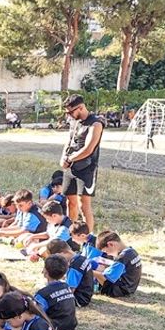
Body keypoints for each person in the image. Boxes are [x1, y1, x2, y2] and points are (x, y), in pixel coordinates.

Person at [60, 94, 104, 233]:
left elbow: (88, 149)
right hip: (71, 168)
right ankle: (71, 234)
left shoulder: (95, 124)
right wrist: (63, 157)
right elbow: (69, 140)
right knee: (70, 202)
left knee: (83, 206)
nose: (69, 116)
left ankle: (88, 238)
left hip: (86, 169)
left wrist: (70, 159)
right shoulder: (74, 122)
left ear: (81, 107)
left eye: (70, 112)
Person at [34, 255, 78, 330]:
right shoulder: (66, 286)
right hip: (71, 326)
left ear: (45, 272)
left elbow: (36, 313)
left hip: (54, 328)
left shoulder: (42, 294)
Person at [46, 239, 95, 308]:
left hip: (79, 299)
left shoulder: (74, 267)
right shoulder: (81, 258)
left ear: (62, 253)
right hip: (86, 295)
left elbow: (70, 290)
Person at [93, 231, 143, 298]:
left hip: (120, 290)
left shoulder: (122, 258)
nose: (107, 254)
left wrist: (89, 271)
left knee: (92, 270)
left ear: (110, 244)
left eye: (105, 251)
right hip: (130, 287)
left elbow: (106, 277)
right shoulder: (132, 251)